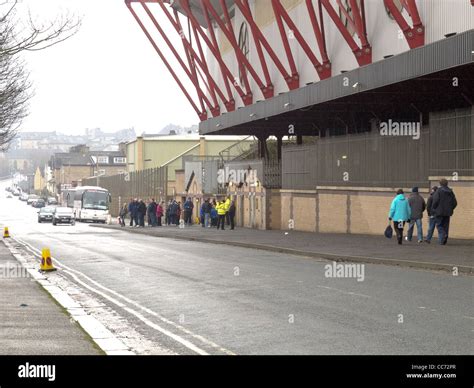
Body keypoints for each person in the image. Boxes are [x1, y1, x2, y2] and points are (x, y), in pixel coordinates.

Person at [431, 178, 457, 245]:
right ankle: (443, 240)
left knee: (439, 225)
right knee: (446, 226)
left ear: (440, 184)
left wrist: (434, 208)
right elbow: (455, 203)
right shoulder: (451, 192)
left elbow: (435, 201)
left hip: (439, 212)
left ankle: (442, 237)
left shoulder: (438, 191)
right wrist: (451, 209)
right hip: (448, 212)